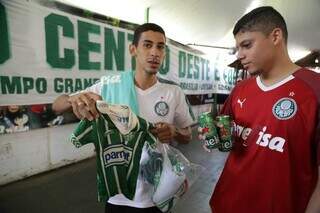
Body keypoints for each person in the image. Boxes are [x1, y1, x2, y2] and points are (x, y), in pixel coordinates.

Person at [52, 23, 194, 213]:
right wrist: (74, 99)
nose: (154, 52)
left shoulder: (173, 92)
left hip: (157, 194)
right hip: (118, 195)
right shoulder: (109, 86)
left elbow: (188, 134)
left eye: (160, 47)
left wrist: (174, 131)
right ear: (133, 49)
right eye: (147, 45)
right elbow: (57, 106)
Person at [201, 6, 320, 213]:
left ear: (275, 36)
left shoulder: (314, 90)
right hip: (225, 203)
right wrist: (211, 136)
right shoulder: (240, 89)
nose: (240, 55)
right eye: (237, 48)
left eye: (246, 45)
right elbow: (224, 132)